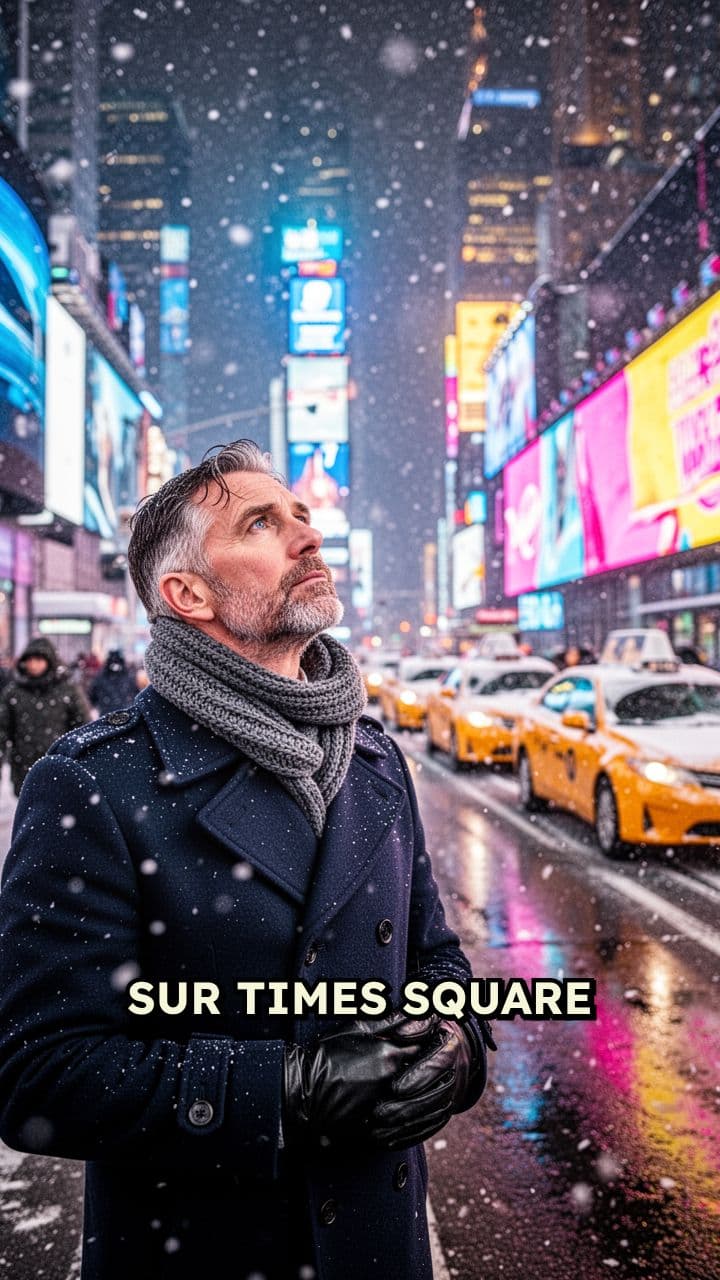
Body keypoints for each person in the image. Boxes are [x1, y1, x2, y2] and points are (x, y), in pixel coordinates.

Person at [0, 440, 494, 1280]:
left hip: (378, 1246)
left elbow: (435, 962)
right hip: (203, 1250)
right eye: (261, 524)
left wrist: (460, 1047)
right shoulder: (94, 783)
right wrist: (286, 1090)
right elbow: (37, 1072)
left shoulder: (375, 764)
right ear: (187, 594)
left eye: (301, 517)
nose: (307, 538)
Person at [0, 636, 91, 796]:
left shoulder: (67, 689)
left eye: (38, 659)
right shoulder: (13, 692)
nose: (33, 665)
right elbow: (2, 729)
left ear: (49, 661)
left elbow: (82, 727)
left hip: (59, 765)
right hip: (23, 766)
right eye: (29, 660)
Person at [88, 648, 139, 717]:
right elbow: (135, 694)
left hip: (107, 715)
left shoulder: (100, 676)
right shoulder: (129, 676)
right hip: (125, 715)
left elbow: (92, 696)